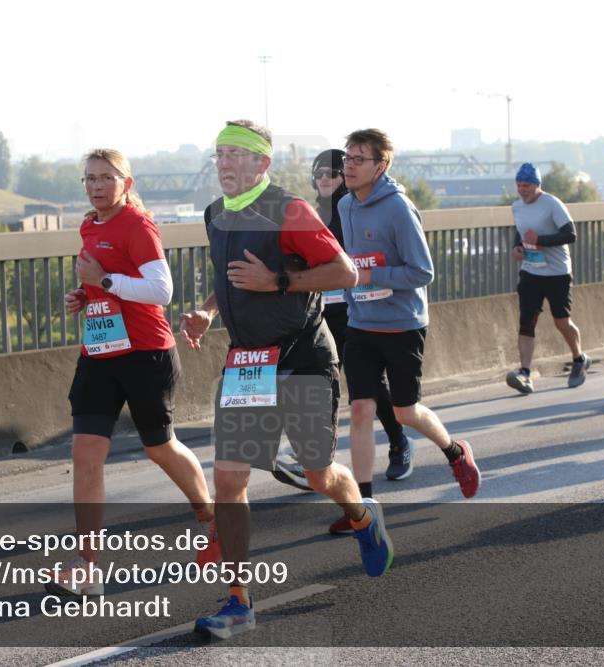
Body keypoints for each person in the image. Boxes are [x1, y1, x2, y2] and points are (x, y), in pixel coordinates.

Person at [182, 121, 393, 640]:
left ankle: (363, 517)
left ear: (262, 164)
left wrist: (278, 281)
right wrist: (210, 311)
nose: (224, 162)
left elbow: (344, 273)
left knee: (319, 474)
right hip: (247, 364)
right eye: (219, 153)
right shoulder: (215, 215)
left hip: (302, 358)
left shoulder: (290, 211)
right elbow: (232, 278)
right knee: (230, 478)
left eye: (236, 154)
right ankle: (237, 600)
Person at [46, 148, 216, 598]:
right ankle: (87, 566)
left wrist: (103, 282)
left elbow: (161, 290)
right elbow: (104, 280)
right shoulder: (89, 225)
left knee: (160, 448)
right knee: (85, 453)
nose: (96, 185)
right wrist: (85, 296)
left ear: (127, 183)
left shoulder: (138, 225)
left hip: (145, 353)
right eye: (89, 178)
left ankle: (212, 520)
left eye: (106, 177)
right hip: (100, 352)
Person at [273, 148, 416, 537]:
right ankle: (318, 461)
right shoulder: (306, 210)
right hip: (318, 308)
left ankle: (399, 441)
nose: (325, 177)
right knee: (327, 386)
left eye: (333, 172)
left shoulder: (352, 207)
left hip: (355, 305)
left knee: (365, 388)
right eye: (319, 172)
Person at [338, 128, 481, 510]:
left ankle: (454, 452)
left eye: (358, 160)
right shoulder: (344, 205)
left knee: (405, 412)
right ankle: (363, 505)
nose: (348, 167)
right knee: (360, 409)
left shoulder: (399, 208)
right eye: (346, 158)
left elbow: (422, 272)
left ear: (380, 165)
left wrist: (371, 277)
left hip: (402, 324)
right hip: (361, 323)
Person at [506, 162, 590, 393]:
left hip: (557, 273)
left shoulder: (552, 204)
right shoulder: (517, 207)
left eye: (527, 186)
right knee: (526, 321)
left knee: (561, 321)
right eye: (519, 185)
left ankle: (579, 358)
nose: (523, 190)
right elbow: (521, 233)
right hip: (531, 271)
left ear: (537, 185)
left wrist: (540, 240)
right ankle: (524, 373)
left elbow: (570, 234)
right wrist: (517, 249)